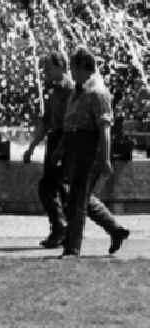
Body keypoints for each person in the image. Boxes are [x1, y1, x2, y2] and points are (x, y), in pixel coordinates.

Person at [56, 46, 130, 258]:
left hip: (88, 149)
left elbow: (105, 128)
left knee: (77, 200)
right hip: (74, 148)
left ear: (82, 67)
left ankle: (72, 249)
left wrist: (105, 158)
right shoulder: (78, 91)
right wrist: (61, 148)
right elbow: (70, 123)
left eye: (72, 68)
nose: (70, 73)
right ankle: (116, 230)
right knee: (80, 197)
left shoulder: (98, 92)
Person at [22, 52, 73, 248]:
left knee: (49, 187)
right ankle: (62, 229)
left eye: (48, 68)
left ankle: (60, 227)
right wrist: (31, 148)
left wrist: (61, 148)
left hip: (64, 140)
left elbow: (70, 122)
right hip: (55, 139)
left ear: (61, 67)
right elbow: (46, 122)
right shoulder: (56, 91)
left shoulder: (70, 90)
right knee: (56, 187)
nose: (44, 72)